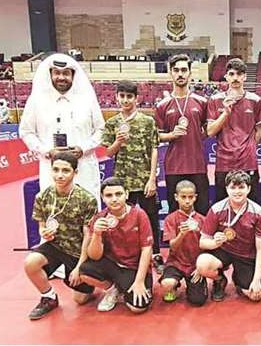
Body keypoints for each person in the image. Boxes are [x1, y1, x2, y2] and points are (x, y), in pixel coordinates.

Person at [19, 53, 105, 202]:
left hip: (83, 167)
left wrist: (83, 148)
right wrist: (47, 151)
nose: (61, 77)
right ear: (50, 74)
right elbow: (26, 132)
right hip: (52, 168)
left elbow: (101, 130)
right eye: (57, 73)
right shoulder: (36, 101)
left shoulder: (87, 99)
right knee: (54, 215)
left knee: (88, 215)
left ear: (73, 75)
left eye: (66, 73)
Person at [23, 152, 98, 320]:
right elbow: (42, 224)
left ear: (75, 173)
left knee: (80, 300)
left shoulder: (87, 199)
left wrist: (80, 266)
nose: (60, 175)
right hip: (55, 246)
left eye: (65, 170)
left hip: (78, 251)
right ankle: (49, 297)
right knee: (30, 263)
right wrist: (45, 232)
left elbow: (88, 235)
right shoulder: (42, 196)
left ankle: (90, 280)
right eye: (55, 170)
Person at [102, 80, 164, 273]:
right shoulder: (112, 123)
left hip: (145, 181)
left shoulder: (147, 121)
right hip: (122, 184)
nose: (125, 100)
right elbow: (108, 153)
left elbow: (154, 149)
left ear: (137, 98)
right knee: (123, 221)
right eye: (122, 96)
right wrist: (118, 142)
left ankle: (155, 255)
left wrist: (152, 178)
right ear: (117, 97)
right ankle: (126, 258)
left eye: (129, 96)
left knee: (151, 219)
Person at [78, 177, 154, 313]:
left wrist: (139, 281)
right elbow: (94, 256)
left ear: (127, 194)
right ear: (102, 197)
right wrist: (96, 234)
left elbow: (147, 249)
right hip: (113, 266)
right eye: (109, 195)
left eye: (118, 194)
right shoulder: (99, 218)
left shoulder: (139, 215)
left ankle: (126, 288)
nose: (114, 199)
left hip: (134, 269)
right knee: (84, 271)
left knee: (138, 308)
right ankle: (112, 290)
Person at [196, 170, 261, 302]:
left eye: (241, 187)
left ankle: (239, 280)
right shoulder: (216, 209)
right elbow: (203, 242)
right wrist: (215, 243)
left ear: (249, 189)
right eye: (233, 187)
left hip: (246, 255)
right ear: (227, 189)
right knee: (202, 264)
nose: (237, 191)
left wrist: (256, 280)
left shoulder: (258, 212)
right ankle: (220, 280)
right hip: (224, 250)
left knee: (255, 296)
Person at [156, 54, 209, 215]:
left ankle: (201, 241)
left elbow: (209, 129)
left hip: (197, 164)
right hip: (174, 166)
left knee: (201, 210)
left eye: (184, 70)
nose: (180, 74)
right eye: (176, 70)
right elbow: (157, 136)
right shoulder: (162, 105)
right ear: (170, 73)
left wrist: (199, 135)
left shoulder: (202, 102)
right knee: (175, 211)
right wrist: (172, 135)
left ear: (190, 73)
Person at [207, 58, 261, 203]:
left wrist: (248, 146)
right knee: (223, 207)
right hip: (223, 163)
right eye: (231, 74)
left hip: (248, 162)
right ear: (226, 76)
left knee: (250, 207)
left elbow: (259, 130)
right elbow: (210, 131)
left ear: (245, 76)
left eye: (239, 74)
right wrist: (225, 112)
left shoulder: (255, 100)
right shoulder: (215, 100)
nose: (235, 78)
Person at [159, 180, 208, 306]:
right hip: (176, 263)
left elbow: (208, 247)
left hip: (195, 265)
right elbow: (172, 246)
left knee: (198, 301)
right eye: (183, 197)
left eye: (190, 197)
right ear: (176, 197)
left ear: (195, 197)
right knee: (167, 284)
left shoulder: (203, 220)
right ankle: (174, 285)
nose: (187, 201)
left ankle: (193, 287)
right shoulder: (170, 219)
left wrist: (201, 268)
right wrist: (182, 234)